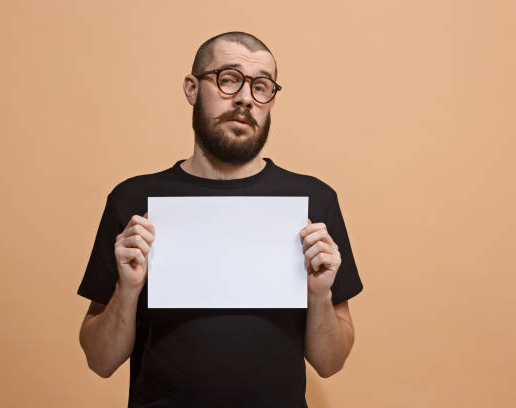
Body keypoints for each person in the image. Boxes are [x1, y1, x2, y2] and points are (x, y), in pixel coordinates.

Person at [77, 31, 363, 408]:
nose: (246, 97)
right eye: (229, 79)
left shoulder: (314, 202)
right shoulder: (133, 201)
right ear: (192, 89)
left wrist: (319, 294)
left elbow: (331, 362)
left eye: (262, 87)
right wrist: (128, 290)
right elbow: (100, 361)